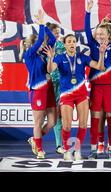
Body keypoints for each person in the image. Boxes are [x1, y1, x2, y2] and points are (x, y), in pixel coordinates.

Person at [44, 34, 106, 161]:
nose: (72, 44)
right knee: (66, 126)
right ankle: (67, 150)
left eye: (74, 41)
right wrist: (50, 58)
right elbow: (50, 70)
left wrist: (101, 53)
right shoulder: (60, 57)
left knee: (83, 124)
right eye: (69, 42)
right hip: (66, 95)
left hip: (81, 95)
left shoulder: (82, 57)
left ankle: (77, 149)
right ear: (65, 44)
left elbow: (100, 67)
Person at [85, 0, 111, 159]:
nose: (99, 35)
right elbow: (87, 29)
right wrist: (88, 12)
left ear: (109, 34)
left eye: (102, 33)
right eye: (97, 33)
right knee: (95, 118)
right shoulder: (93, 45)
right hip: (96, 87)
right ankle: (95, 148)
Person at [25, 10, 57, 159]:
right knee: (38, 121)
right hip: (37, 89)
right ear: (31, 44)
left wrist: (45, 26)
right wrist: (41, 24)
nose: (42, 43)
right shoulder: (29, 55)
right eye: (38, 42)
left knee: (51, 122)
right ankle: (39, 149)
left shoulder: (43, 55)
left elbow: (52, 40)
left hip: (48, 88)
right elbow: (39, 42)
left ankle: (34, 139)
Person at [45, 22, 65, 155]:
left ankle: (60, 145)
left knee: (60, 115)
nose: (58, 34)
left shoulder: (62, 45)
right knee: (53, 116)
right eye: (55, 32)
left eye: (59, 31)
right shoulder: (45, 46)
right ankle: (37, 139)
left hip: (63, 83)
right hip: (51, 83)